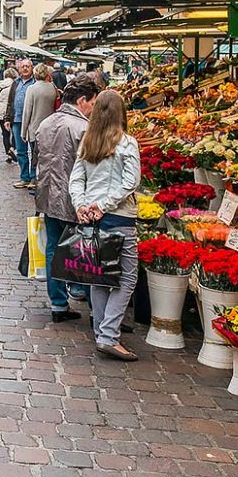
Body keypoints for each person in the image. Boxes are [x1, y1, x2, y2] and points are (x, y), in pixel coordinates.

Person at [69, 89, 142, 362]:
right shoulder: (126, 143)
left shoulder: (89, 142)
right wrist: (103, 205)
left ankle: (102, 330)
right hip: (119, 216)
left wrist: (82, 205)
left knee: (99, 275)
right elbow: (130, 182)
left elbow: (76, 179)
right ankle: (109, 335)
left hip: (93, 218)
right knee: (126, 277)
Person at [34, 75, 101, 321]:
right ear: (82, 100)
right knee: (84, 252)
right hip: (75, 200)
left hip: (48, 196)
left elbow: (37, 159)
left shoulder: (47, 123)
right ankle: (94, 307)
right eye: (92, 103)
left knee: (53, 248)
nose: (93, 109)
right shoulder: (83, 128)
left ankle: (58, 305)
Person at [21, 63, 58, 190]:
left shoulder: (31, 89)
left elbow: (27, 112)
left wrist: (23, 131)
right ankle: (45, 178)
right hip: (50, 128)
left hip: (35, 128)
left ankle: (33, 178)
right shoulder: (53, 88)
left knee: (35, 155)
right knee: (46, 155)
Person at [3, 59, 36, 188]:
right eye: (23, 67)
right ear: (19, 69)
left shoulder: (36, 82)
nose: (25, 69)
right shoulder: (15, 83)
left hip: (32, 121)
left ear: (32, 68)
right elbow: (10, 102)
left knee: (34, 151)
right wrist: (7, 118)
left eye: (28, 66)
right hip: (17, 121)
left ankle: (34, 178)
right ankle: (24, 178)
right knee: (21, 151)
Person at [0, 68, 18, 164]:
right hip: (11, 111)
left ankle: (8, 152)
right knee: (15, 132)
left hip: (0, 111)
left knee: (5, 133)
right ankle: (13, 148)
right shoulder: (16, 84)